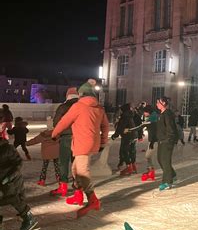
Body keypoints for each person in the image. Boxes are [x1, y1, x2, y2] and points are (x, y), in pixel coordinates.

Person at [52, 78, 109, 218]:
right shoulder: (99, 108)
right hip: (93, 144)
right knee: (75, 169)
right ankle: (78, 195)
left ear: (82, 94)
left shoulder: (78, 106)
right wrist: (102, 142)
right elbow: (105, 126)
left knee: (82, 171)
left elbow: (64, 121)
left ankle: (92, 199)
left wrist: (54, 133)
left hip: (82, 144)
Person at [0, 138, 39, 230]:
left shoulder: (7, 148)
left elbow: (18, 163)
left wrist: (10, 177)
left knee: (13, 198)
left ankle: (29, 218)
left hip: (12, 180)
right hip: (2, 181)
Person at [50, 87, 79, 196]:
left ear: (67, 96)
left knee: (63, 162)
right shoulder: (83, 107)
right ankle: (78, 189)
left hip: (66, 138)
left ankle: (63, 187)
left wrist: (56, 134)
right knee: (77, 164)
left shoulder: (63, 107)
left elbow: (56, 123)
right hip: (80, 138)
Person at [156, 97, 179, 191]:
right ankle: (172, 174)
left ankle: (167, 182)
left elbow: (171, 128)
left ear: (164, 103)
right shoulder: (161, 114)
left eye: (158, 102)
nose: (156, 104)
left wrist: (169, 140)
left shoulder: (168, 114)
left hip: (167, 141)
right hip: (161, 140)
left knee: (165, 161)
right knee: (160, 160)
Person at [111, 104, 138, 176]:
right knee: (132, 151)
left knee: (125, 151)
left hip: (127, 137)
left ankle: (129, 167)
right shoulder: (131, 115)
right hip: (134, 135)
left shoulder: (124, 117)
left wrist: (114, 136)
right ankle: (134, 166)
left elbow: (120, 127)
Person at [140, 105, 159, 181]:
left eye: (144, 112)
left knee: (148, 156)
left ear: (148, 112)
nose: (144, 114)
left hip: (154, 141)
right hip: (152, 140)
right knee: (149, 156)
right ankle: (150, 171)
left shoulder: (152, 119)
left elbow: (155, 131)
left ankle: (151, 171)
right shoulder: (152, 117)